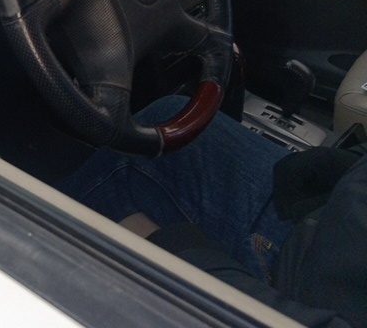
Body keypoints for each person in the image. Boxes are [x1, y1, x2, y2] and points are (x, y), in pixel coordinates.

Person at [58, 95, 367, 328]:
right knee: (167, 118)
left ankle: (45, 265)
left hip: (305, 287)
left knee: (135, 160)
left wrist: (182, 256)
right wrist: (352, 162)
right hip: (333, 216)